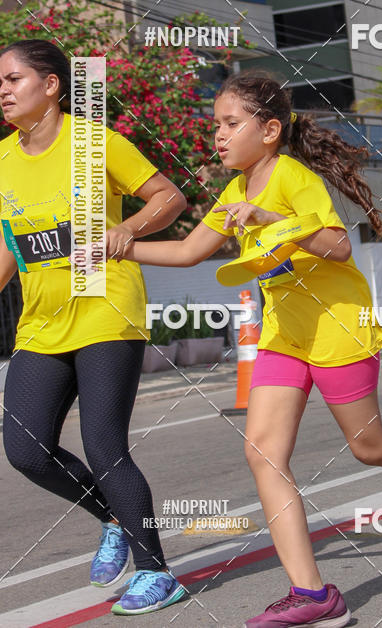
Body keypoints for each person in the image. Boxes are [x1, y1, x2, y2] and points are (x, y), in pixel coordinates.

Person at [123, 73, 382, 628]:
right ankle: (313, 594)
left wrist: (276, 221)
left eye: (231, 124)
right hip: (284, 334)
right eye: (216, 126)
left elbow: (339, 247)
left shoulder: (294, 180)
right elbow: (185, 251)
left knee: (369, 446)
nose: (218, 137)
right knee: (263, 453)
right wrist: (119, 247)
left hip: (336, 326)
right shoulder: (233, 190)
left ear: (269, 129)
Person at [0, 39, 188, 615]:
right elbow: (8, 248)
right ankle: (111, 516)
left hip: (106, 306)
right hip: (41, 320)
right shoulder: (3, 159)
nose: (3, 91)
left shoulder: (94, 141)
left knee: (105, 445)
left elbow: (170, 198)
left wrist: (126, 229)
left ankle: (157, 571)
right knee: (25, 449)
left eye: (12, 79)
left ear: (51, 85)